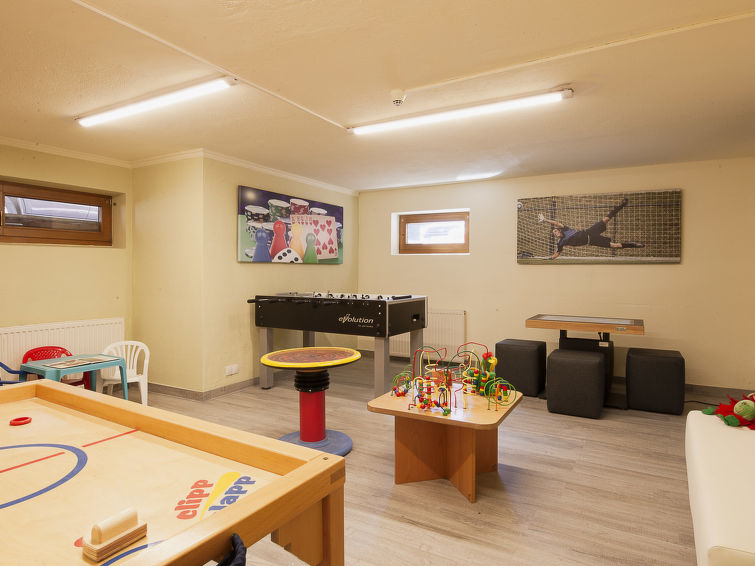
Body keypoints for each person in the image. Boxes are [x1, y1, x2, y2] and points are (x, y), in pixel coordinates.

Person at [538, 197, 644, 260]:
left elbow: (556, 222)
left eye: (556, 230)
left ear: (559, 230)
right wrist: (549, 258)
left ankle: (622, 205)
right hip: (592, 241)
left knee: (606, 219)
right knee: (614, 246)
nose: (555, 232)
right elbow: (557, 253)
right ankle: (634, 245)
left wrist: (545, 220)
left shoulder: (566, 229)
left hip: (590, 231)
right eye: (554, 233)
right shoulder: (561, 242)